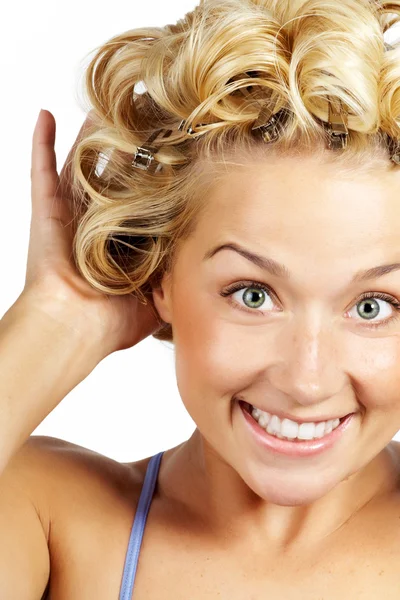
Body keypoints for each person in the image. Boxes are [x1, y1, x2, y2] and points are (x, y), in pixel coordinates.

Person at [2, 0, 400, 597]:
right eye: (253, 294)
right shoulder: (47, 517)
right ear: (160, 277)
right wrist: (57, 318)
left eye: (373, 306)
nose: (307, 380)